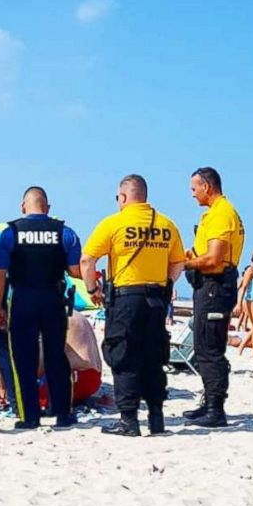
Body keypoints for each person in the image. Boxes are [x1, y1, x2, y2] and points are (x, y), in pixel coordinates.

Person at [81, 174, 185, 437]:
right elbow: (178, 263)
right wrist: (166, 284)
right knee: (153, 357)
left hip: (126, 298)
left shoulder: (114, 223)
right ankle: (156, 418)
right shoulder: (167, 225)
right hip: (156, 298)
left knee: (123, 354)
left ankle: (128, 420)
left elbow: (87, 260)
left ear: (124, 197)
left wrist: (92, 289)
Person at [0, 186, 83, 430]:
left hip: (22, 299)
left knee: (23, 359)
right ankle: (63, 413)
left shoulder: (11, 233)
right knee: (56, 356)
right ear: (48, 207)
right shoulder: (64, 232)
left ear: (23, 206)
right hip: (53, 299)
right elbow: (76, 270)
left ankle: (29, 416)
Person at [182, 166, 245, 427]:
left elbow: (216, 260)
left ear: (207, 187)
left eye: (194, 188)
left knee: (209, 348)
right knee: (204, 344)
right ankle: (209, 402)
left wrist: (185, 263)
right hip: (210, 286)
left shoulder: (222, 214)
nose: (192, 194)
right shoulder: (215, 214)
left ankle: (215, 409)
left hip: (215, 286)